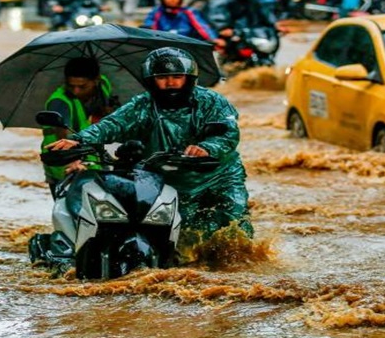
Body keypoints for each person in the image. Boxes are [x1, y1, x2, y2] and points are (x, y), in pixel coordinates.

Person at [45, 48, 252, 238]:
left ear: (189, 78)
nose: (170, 83)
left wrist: (207, 148)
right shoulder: (142, 105)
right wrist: (78, 140)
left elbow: (228, 134)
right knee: (178, 237)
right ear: (151, 80)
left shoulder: (212, 102)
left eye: (177, 77)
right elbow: (113, 124)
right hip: (166, 179)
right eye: (162, 78)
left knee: (234, 229)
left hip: (218, 177)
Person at [41, 57, 117, 196]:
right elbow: (61, 134)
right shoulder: (59, 102)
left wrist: (107, 110)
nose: (76, 91)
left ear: (96, 80)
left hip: (93, 156)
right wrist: (73, 161)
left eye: (82, 86)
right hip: (63, 161)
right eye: (71, 85)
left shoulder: (104, 85)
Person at [216, 0, 284, 60]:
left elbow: (267, 16)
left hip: (255, 34)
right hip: (236, 36)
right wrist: (224, 28)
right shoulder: (226, 3)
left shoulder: (255, 2)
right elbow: (220, 19)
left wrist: (275, 25)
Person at [142, 0, 219, 43]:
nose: (172, 0)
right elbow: (149, 28)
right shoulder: (156, 12)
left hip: (188, 45)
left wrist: (213, 39)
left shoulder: (189, 12)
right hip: (162, 45)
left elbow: (203, 27)